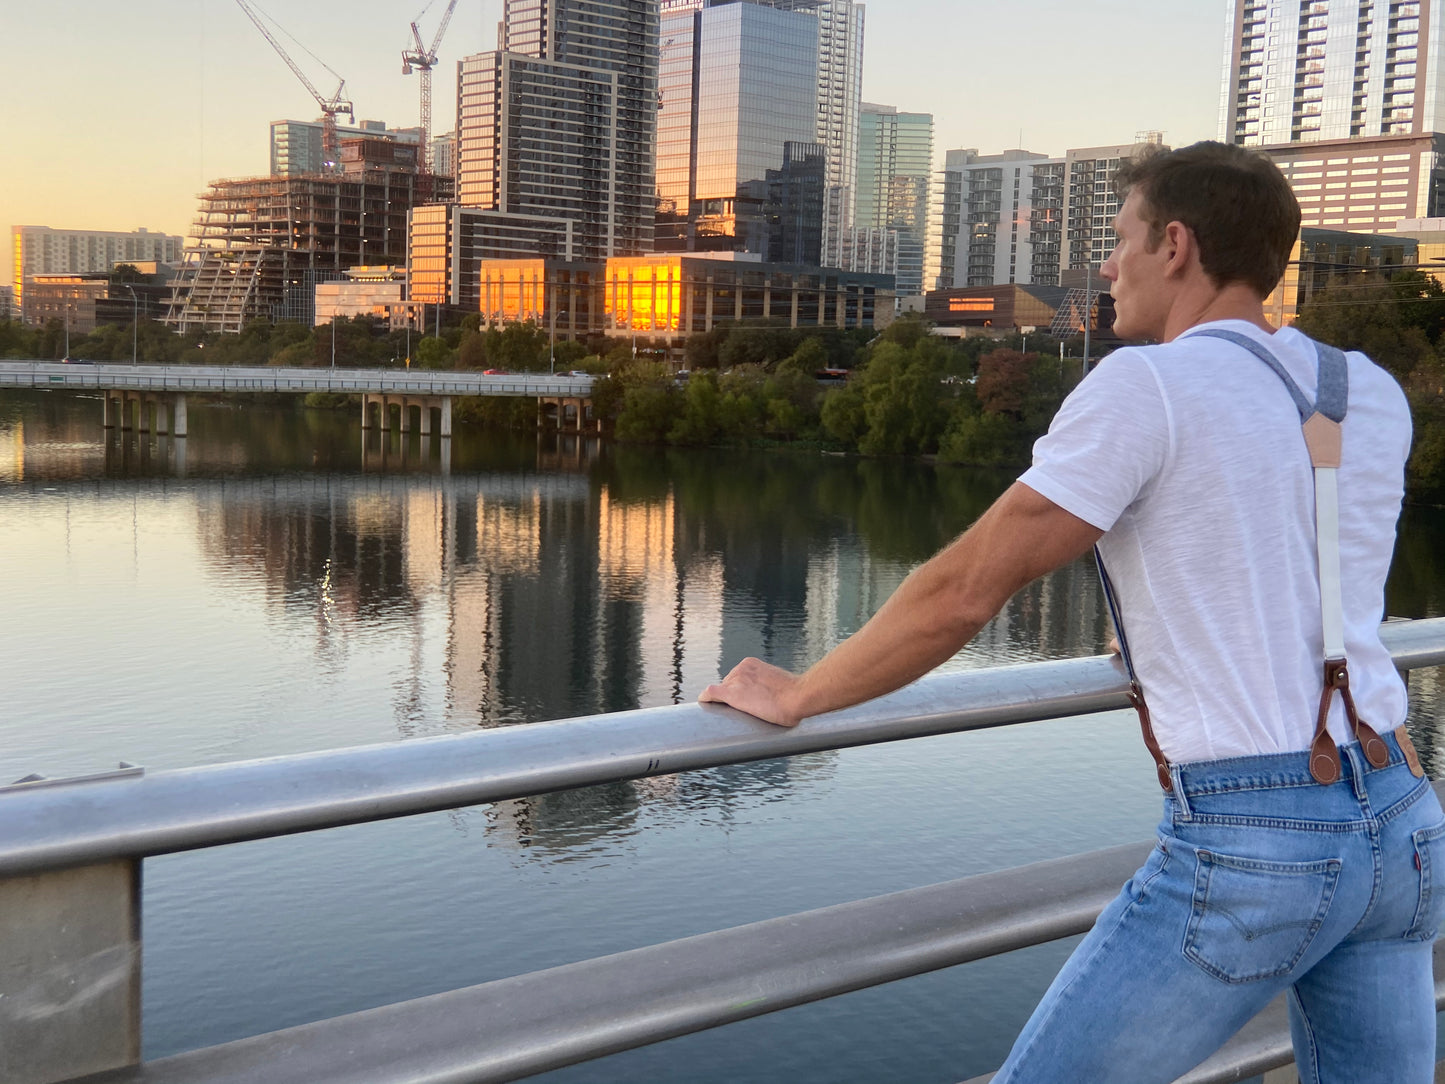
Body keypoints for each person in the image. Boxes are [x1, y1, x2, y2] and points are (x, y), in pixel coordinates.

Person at [699, 141, 1442, 1084]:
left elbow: (966, 588)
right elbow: (1295, 568)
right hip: (1400, 815)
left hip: (1258, 840)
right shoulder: (1365, 391)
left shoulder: (1149, 386)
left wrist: (804, 690)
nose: (1106, 264)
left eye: (1119, 236)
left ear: (1174, 245)